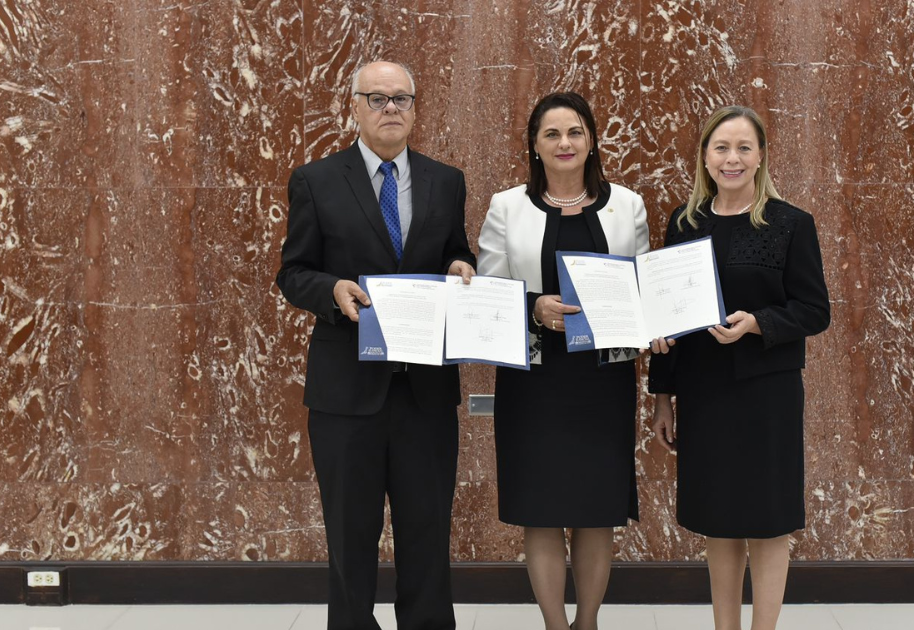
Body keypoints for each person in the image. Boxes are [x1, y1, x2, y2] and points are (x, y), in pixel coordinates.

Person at [276, 61, 476, 630]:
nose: (391, 108)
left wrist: (462, 266)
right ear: (354, 108)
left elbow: (453, 255)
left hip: (425, 392)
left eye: (402, 99)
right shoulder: (315, 179)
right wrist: (331, 289)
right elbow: (292, 273)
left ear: (415, 109)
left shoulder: (446, 180)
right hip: (346, 394)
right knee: (349, 534)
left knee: (428, 531)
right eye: (377, 98)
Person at [648, 106, 830, 630]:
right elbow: (668, 317)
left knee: (769, 524)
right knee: (719, 523)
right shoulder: (685, 223)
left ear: (761, 156)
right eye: (721, 148)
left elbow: (815, 310)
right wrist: (663, 397)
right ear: (705, 156)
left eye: (743, 148)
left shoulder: (790, 223)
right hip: (704, 393)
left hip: (766, 395)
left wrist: (757, 324)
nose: (732, 158)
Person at [476, 92, 649, 630]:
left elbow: (644, 286)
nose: (565, 143)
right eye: (551, 134)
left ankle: (588, 622)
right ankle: (555, 624)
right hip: (535, 379)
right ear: (534, 145)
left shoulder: (629, 205)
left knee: (598, 511)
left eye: (574, 132)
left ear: (592, 139)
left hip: (604, 378)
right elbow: (487, 288)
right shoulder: (508, 206)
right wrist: (535, 308)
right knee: (542, 510)